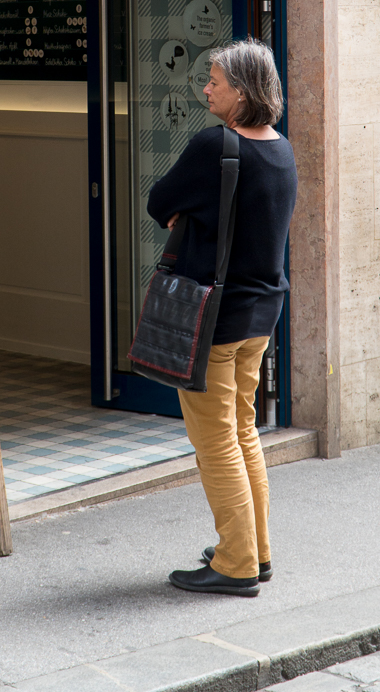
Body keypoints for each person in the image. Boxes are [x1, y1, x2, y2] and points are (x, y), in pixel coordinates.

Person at [146, 38, 297, 597]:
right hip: (260, 316)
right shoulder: (280, 149)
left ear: (243, 91)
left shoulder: (217, 147)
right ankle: (255, 550)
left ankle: (235, 563)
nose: (205, 88)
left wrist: (187, 209)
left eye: (215, 81)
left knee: (215, 445)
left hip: (212, 320)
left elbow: (159, 201)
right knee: (243, 433)